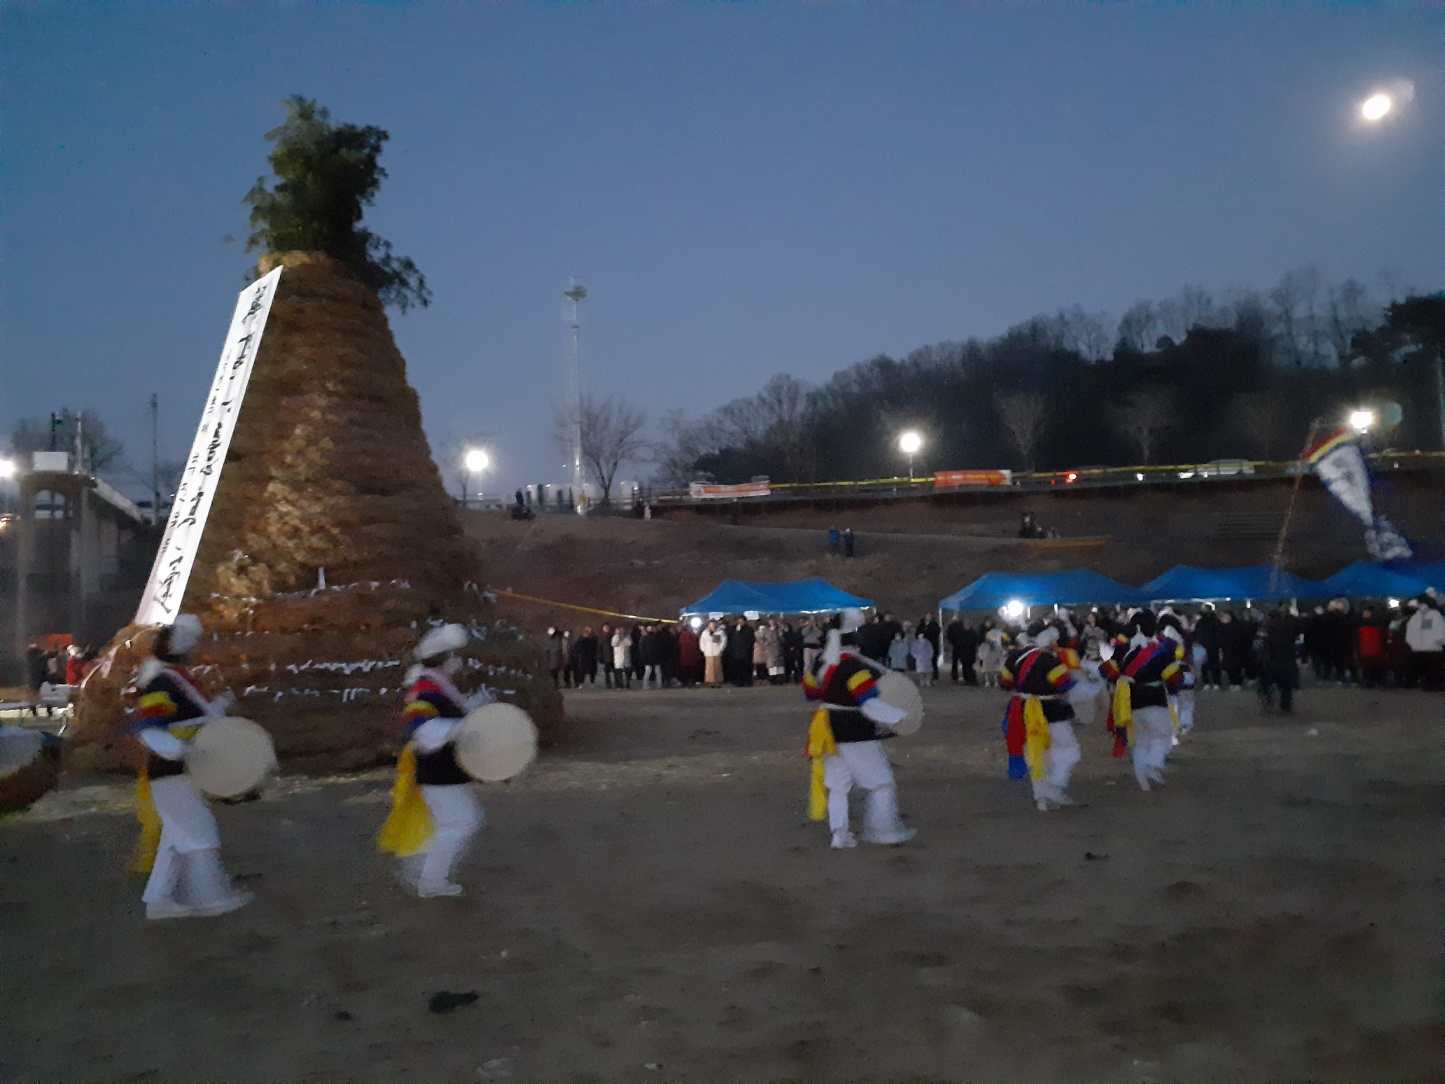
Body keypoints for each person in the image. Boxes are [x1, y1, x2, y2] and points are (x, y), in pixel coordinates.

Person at [132, 615, 253, 920]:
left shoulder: (175, 678)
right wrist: (181, 750)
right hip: (172, 770)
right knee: (200, 834)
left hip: (179, 770)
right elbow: (149, 728)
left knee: (175, 839)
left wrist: (220, 706)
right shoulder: (162, 681)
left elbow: (192, 719)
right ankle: (209, 897)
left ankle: (159, 900)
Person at [379, 623, 490, 898]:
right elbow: (422, 728)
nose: (457, 662)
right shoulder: (427, 687)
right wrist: (459, 728)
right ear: (445, 658)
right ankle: (429, 879)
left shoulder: (438, 685)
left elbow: (446, 715)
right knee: (460, 823)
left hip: (444, 767)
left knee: (455, 823)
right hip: (437, 767)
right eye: (454, 656)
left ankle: (422, 872)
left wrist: (474, 708)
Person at [803, 611, 914, 848]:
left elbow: (810, 693)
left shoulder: (821, 664)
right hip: (855, 729)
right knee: (881, 783)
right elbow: (867, 701)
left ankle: (839, 834)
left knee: (838, 786)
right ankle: (883, 831)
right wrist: (899, 717)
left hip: (826, 729)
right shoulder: (855, 667)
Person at [999, 620, 1081, 811]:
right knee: (1069, 750)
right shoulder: (1048, 659)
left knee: (1035, 753)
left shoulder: (1014, 657)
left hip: (1023, 710)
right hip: (1051, 710)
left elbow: (1004, 682)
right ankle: (1055, 786)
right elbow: (1064, 683)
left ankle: (1042, 798)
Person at [1102, 611, 1186, 791]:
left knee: (1140, 741)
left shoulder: (1123, 649)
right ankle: (1150, 765)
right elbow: (1175, 678)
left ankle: (1143, 779)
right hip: (1155, 699)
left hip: (1130, 701)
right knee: (1162, 736)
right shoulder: (1160, 651)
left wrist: (1122, 679)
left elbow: (1106, 670)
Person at [1404, 596, 1445, 691]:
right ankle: (1431, 684)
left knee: (1430, 669)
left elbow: (1439, 631)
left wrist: (1412, 643)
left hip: (1427, 648)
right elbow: (1410, 631)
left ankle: (1431, 684)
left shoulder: (1432, 616)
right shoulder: (1418, 616)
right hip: (1427, 648)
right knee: (1430, 669)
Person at [945, 617, 977, 685]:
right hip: (963, 651)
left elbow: (974, 641)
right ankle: (967, 679)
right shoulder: (962, 632)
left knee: (968, 666)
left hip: (969, 652)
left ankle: (970, 679)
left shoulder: (972, 633)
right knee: (965, 666)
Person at [700, 620, 727, 686]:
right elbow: (702, 641)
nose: (712, 626)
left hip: (717, 652)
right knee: (709, 668)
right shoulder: (705, 633)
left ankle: (718, 681)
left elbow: (724, 641)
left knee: (717, 667)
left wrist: (720, 649)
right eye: (711, 625)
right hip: (708, 652)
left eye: (714, 625)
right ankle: (710, 681)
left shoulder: (720, 632)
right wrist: (704, 650)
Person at [610, 625, 633, 689]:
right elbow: (614, 644)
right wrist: (618, 636)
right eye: (620, 629)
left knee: (627, 672)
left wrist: (624, 638)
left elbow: (630, 643)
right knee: (618, 672)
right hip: (618, 657)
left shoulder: (627, 636)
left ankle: (627, 684)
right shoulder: (615, 637)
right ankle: (620, 685)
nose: (622, 631)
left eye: (623, 629)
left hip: (626, 657)